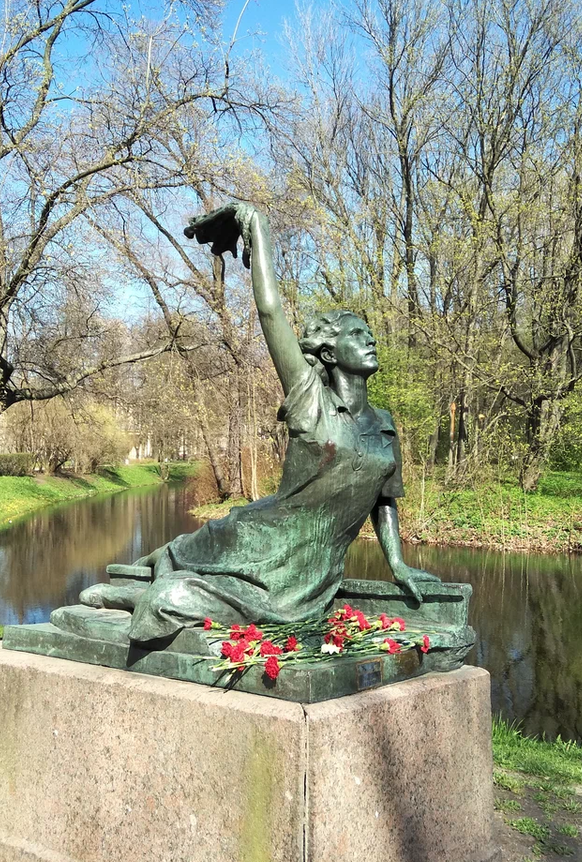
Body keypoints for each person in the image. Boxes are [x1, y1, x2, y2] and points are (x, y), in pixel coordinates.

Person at [79, 202, 440, 641]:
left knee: (182, 597)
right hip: (255, 540)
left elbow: (384, 501)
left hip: (309, 571)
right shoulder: (310, 399)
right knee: (173, 573)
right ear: (328, 352)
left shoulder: (384, 426)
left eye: (370, 334)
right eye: (357, 335)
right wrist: (258, 229)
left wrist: (399, 565)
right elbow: (270, 312)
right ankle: (131, 590)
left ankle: (135, 594)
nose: (372, 340)